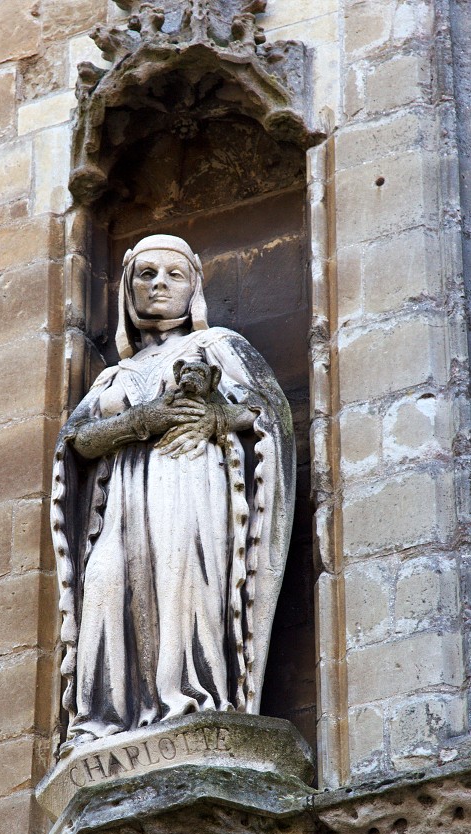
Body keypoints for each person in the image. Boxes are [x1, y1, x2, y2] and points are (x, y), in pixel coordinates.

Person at [51, 234, 295, 744]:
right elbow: (77, 441)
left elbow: (267, 413)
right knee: (104, 584)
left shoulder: (216, 346)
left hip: (189, 486)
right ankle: (105, 718)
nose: (159, 284)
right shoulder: (113, 377)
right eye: (146, 274)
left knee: (181, 581)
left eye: (173, 274)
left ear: (193, 288)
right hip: (120, 502)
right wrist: (143, 419)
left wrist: (217, 417)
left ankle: (190, 699)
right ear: (128, 288)